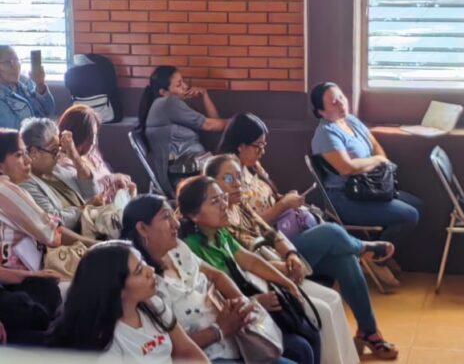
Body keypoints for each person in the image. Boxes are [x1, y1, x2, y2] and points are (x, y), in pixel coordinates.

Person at [218, 113, 399, 359]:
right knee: (331, 232)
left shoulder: (253, 167)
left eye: (264, 145)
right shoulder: (228, 180)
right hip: (264, 254)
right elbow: (251, 228)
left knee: (345, 260)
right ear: (240, 145)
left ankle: (369, 331)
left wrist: (286, 202)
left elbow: (265, 213)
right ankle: (364, 248)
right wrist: (283, 206)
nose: (262, 151)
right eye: (258, 146)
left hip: (284, 241)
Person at [205, 153, 367, 364]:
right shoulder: (219, 220)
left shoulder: (241, 205)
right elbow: (244, 265)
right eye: (228, 179)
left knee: (334, 298)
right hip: (261, 281)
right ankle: (363, 247)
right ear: (212, 184)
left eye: (238, 177)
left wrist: (291, 255)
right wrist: (282, 270)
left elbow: (271, 233)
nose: (236, 184)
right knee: (323, 311)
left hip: (275, 269)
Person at [121, 194, 295, 364]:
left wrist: (243, 304)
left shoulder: (178, 249)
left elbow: (217, 276)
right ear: (143, 228)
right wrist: (220, 329)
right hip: (209, 354)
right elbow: (171, 350)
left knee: (299, 347)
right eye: (166, 217)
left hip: (237, 336)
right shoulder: (146, 284)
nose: (176, 223)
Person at [177, 175, 322, 364]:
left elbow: (250, 261)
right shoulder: (191, 249)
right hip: (237, 323)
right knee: (299, 348)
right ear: (194, 215)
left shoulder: (220, 232)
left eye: (222, 197)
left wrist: (287, 283)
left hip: (253, 304)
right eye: (214, 201)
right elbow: (212, 300)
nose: (224, 205)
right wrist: (255, 301)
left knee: (310, 334)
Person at [309, 83, 421, 275]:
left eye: (341, 97)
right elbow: (346, 168)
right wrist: (377, 161)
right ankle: (377, 258)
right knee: (410, 215)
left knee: (418, 205)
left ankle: (378, 253)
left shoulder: (351, 120)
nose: (341, 104)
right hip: (346, 197)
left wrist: (377, 161)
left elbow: (375, 146)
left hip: (370, 186)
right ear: (321, 112)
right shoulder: (326, 134)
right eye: (334, 102)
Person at [0, 129, 94, 343]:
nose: (27, 160)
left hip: (17, 279)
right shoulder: (5, 189)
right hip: (14, 284)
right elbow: (51, 234)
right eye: (18, 155)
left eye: (26, 153)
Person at [48, 240, 209, 363]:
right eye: (139, 271)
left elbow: (187, 350)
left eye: (143, 262)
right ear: (117, 289)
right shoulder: (105, 345)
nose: (150, 270)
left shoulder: (153, 305)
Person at [138, 66, 228, 196]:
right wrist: (236, 122)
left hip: (192, 167)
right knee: (229, 168)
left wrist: (204, 95)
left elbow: (214, 121)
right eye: (179, 85)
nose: (185, 87)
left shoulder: (171, 105)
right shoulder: (168, 103)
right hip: (182, 174)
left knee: (228, 168)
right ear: (163, 92)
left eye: (183, 82)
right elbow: (209, 125)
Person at [20, 117, 100, 230]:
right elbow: (54, 220)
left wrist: (75, 157)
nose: (58, 156)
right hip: (77, 237)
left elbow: (92, 192)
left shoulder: (56, 170)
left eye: (59, 149)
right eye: (54, 151)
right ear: (34, 153)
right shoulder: (26, 184)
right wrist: (86, 208)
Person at [58, 104, 137, 204]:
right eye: (93, 135)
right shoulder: (65, 164)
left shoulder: (91, 154)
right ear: (83, 136)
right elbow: (88, 195)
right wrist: (112, 179)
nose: (94, 141)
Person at [0, 45, 55, 129]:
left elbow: (50, 111)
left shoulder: (25, 81)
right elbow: (17, 130)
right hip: (31, 135)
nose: (15, 66)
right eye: (8, 62)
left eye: (17, 61)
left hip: (45, 131)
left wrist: (40, 85)